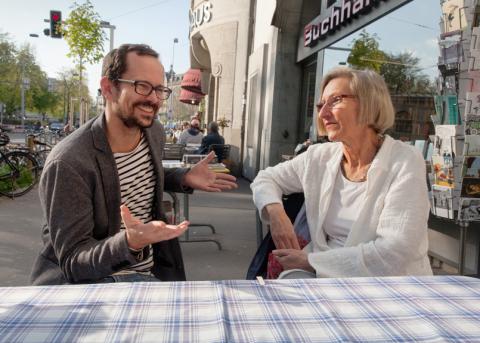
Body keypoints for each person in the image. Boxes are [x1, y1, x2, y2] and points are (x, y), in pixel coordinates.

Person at [30, 44, 237, 285]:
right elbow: (74, 262)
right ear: (108, 88)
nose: (153, 99)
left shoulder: (153, 131)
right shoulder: (68, 163)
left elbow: (139, 173)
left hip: (150, 270)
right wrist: (129, 243)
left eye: (159, 89)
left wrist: (183, 177)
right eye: (142, 86)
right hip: (90, 286)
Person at [251, 66, 432, 278]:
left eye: (335, 100)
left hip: (389, 289)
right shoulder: (319, 157)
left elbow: (393, 253)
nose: (323, 113)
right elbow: (265, 178)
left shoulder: (404, 161)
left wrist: (310, 261)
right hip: (327, 281)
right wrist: (276, 214)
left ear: (369, 102)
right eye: (321, 104)